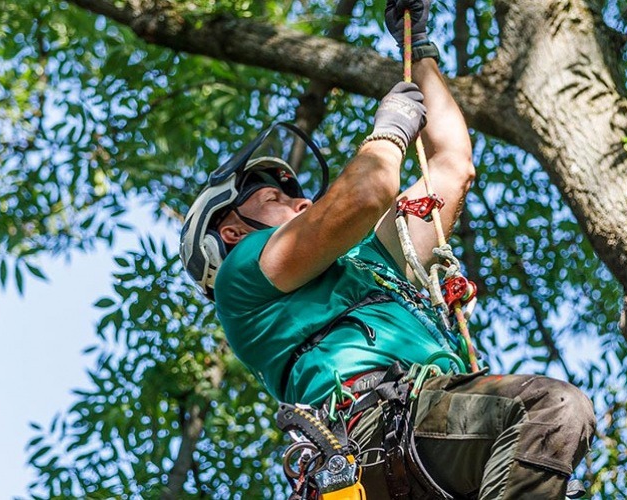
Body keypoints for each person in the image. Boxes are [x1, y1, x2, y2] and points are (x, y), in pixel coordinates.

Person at [178, 1, 595, 498]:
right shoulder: (241, 275)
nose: (301, 199)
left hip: (426, 432)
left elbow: (452, 163)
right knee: (545, 410)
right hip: (373, 426)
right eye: (275, 197)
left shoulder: (372, 266)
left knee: (539, 433)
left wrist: (418, 51)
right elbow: (365, 194)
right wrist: (389, 130)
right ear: (229, 231)